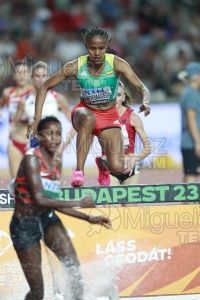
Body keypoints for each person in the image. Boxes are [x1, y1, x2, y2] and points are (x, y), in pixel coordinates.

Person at [26, 26, 151, 187]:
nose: (97, 53)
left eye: (101, 48)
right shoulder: (76, 65)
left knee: (118, 168)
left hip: (109, 116)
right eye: (93, 48)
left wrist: (146, 101)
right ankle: (79, 171)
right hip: (83, 111)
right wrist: (37, 119)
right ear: (86, 47)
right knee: (88, 118)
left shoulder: (117, 64)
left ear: (107, 47)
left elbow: (142, 88)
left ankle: (103, 164)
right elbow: (44, 87)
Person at [10, 116, 111, 300]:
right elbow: (40, 198)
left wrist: (88, 218)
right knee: (38, 292)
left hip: (47, 218)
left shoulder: (57, 161)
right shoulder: (31, 161)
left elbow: (54, 202)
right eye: (50, 133)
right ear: (39, 137)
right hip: (24, 226)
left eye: (58, 133)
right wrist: (79, 202)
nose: (55, 138)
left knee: (73, 268)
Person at [95, 81, 151, 186]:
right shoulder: (100, 117)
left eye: (119, 95)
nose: (115, 99)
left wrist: (136, 158)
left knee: (130, 202)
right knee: (112, 202)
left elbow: (148, 147)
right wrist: (79, 166)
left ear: (124, 98)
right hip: (108, 167)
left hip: (129, 168)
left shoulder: (132, 117)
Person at [14, 61, 76, 150]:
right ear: (31, 78)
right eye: (37, 76)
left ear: (49, 78)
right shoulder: (24, 101)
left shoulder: (58, 98)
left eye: (44, 76)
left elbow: (75, 125)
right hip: (34, 147)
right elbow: (14, 126)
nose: (40, 79)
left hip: (53, 147)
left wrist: (64, 145)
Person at [0, 60, 33, 178]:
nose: (22, 75)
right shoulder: (7, 93)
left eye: (24, 72)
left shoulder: (36, 91)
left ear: (29, 74)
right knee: (16, 181)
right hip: (14, 141)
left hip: (33, 142)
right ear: (14, 76)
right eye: (18, 72)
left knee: (35, 181)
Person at [178, 61, 200, 183]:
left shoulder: (191, 93)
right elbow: (191, 119)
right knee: (191, 175)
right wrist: (197, 142)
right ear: (197, 76)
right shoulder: (191, 94)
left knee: (192, 173)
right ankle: (188, 201)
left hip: (192, 142)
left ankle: (189, 200)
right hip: (191, 142)